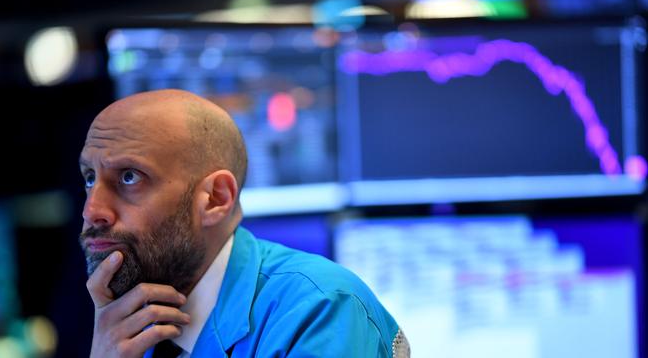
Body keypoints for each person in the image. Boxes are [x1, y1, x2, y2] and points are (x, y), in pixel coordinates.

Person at [78, 89, 409, 358]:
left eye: (130, 177)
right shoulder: (124, 327)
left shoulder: (320, 310)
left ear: (215, 199)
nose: (92, 210)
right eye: (90, 178)